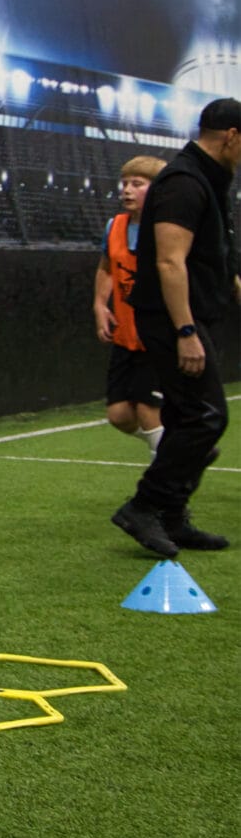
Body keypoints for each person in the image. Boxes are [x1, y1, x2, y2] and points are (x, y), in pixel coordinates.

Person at [111, 99, 241, 560]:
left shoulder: (207, 178)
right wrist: (185, 331)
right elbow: (169, 261)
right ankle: (145, 506)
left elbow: (209, 255)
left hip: (186, 315)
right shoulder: (185, 181)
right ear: (231, 136)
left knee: (189, 417)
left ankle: (171, 516)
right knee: (206, 417)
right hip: (172, 319)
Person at [94, 156, 165, 452]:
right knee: (119, 415)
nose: (127, 190)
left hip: (158, 336)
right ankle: (180, 449)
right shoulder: (115, 226)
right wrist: (100, 305)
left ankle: (165, 477)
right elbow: (106, 267)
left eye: (137, 184)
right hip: (126, 335)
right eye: (124, 183)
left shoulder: (168, 228)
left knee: (148, 410)